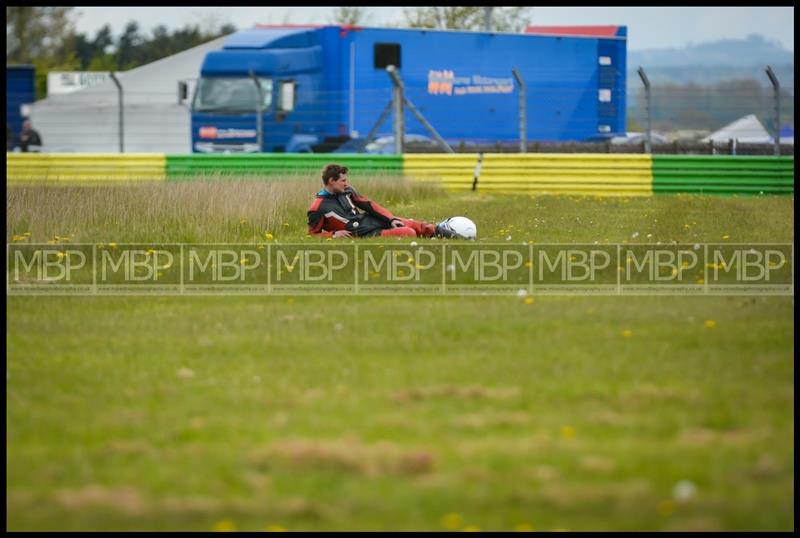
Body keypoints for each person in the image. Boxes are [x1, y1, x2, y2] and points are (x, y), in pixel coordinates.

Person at [307, 163, 454, 239]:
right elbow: (313, 234)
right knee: (408, 232)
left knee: (417, 225)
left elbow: (369, 205)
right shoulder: (317, 208)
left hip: (372, 221)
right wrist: (333, 235)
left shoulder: (348, 190)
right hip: (364, 234)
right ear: (331, 181)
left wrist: (390, 219)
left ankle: (460, 238)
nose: (346, 183)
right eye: (343, 180)